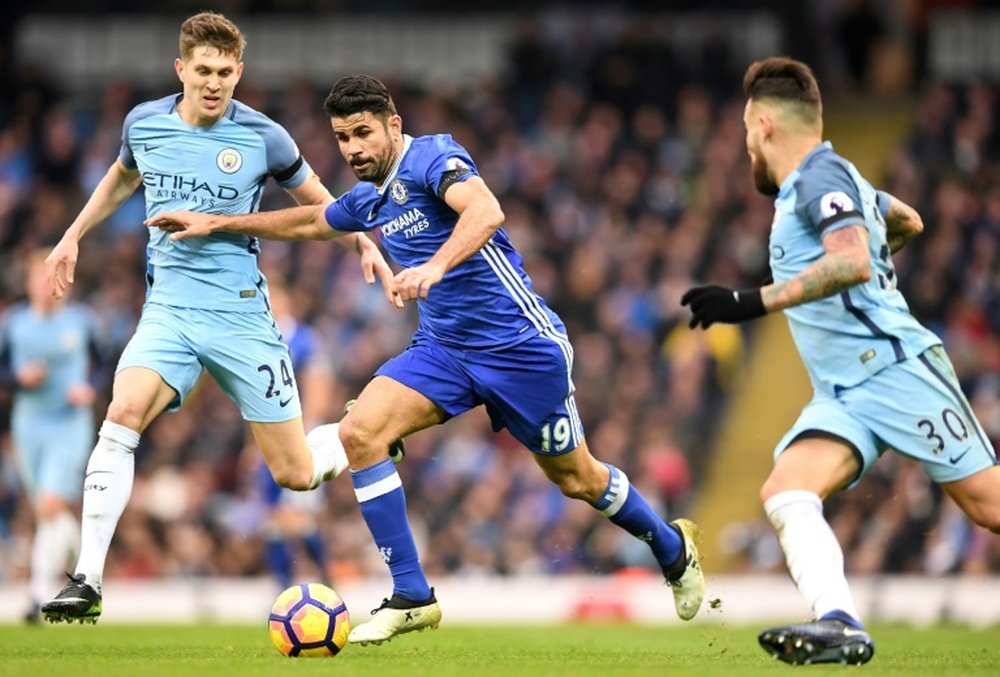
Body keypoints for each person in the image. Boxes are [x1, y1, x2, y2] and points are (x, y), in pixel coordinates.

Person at [147, 74, 706, 645]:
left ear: (393, 125)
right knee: (360, 432)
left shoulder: (433, 156)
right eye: (342, 138)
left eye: (363, 133)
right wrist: (218, 224)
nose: (353, 148)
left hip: (521, 350)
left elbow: (486, 211)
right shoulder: (370, 196)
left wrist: (435, 267)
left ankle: (672, 550)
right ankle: (412, 594)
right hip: (443, 349)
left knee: (577, 479)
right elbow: (314, 220)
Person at [40, 12, 396, 624]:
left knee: (295, 474)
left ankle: (358, 434)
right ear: (181, 69)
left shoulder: (266, 137)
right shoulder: (144, 124)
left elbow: (321, 207)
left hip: (241, 319)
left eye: (225, 73)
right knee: (122, 412)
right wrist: (73, 234)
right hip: (169, 313)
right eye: (203, 71)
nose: (213, 83)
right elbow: (120, 179)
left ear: (239, 72)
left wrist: (362, 243)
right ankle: (87, 581)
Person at [681, 56, 998, 666]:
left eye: (748, 130)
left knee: (989, 506)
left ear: (766, 125)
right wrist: (876, 258)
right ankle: (840, 620)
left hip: (895, 368)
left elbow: (852, 260)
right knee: (786, 489)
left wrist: (751, 301)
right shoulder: (838, 177)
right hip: (844, 391)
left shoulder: (818, 177)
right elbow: (906, 220)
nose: (746, 144)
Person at [0, 249, 103, 623]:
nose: (48, 288)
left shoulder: (82, 322)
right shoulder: (13, 325)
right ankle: (89, 572)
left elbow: (103, 363)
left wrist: (88, 387)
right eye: (41, 280)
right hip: (29, 425)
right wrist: (17, 380)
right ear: (29, 284)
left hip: (70, 423)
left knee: (50, 504)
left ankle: (37, 595)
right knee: (47, 515)